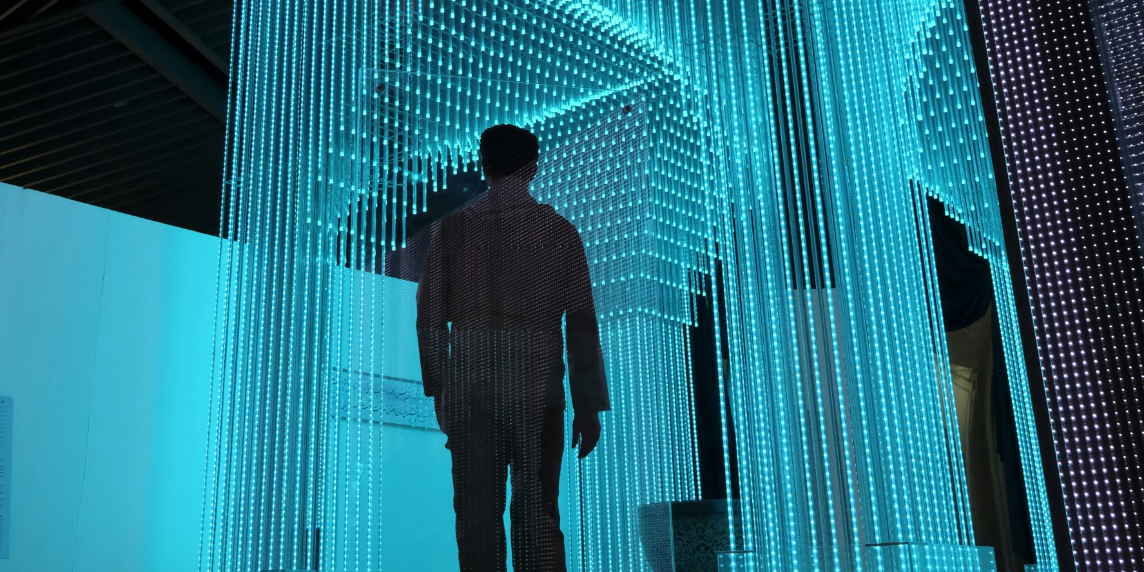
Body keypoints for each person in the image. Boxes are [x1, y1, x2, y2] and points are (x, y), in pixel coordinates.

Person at [415, 124, 609, 572]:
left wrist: (439, 388)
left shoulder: (452, 231)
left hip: (471, 390)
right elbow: (580, 322)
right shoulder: (560, 232)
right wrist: (588, 407)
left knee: (477, 518)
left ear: (483, 165)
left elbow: (429, 314)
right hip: (538, 389)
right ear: (535, 167)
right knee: (538, 516)